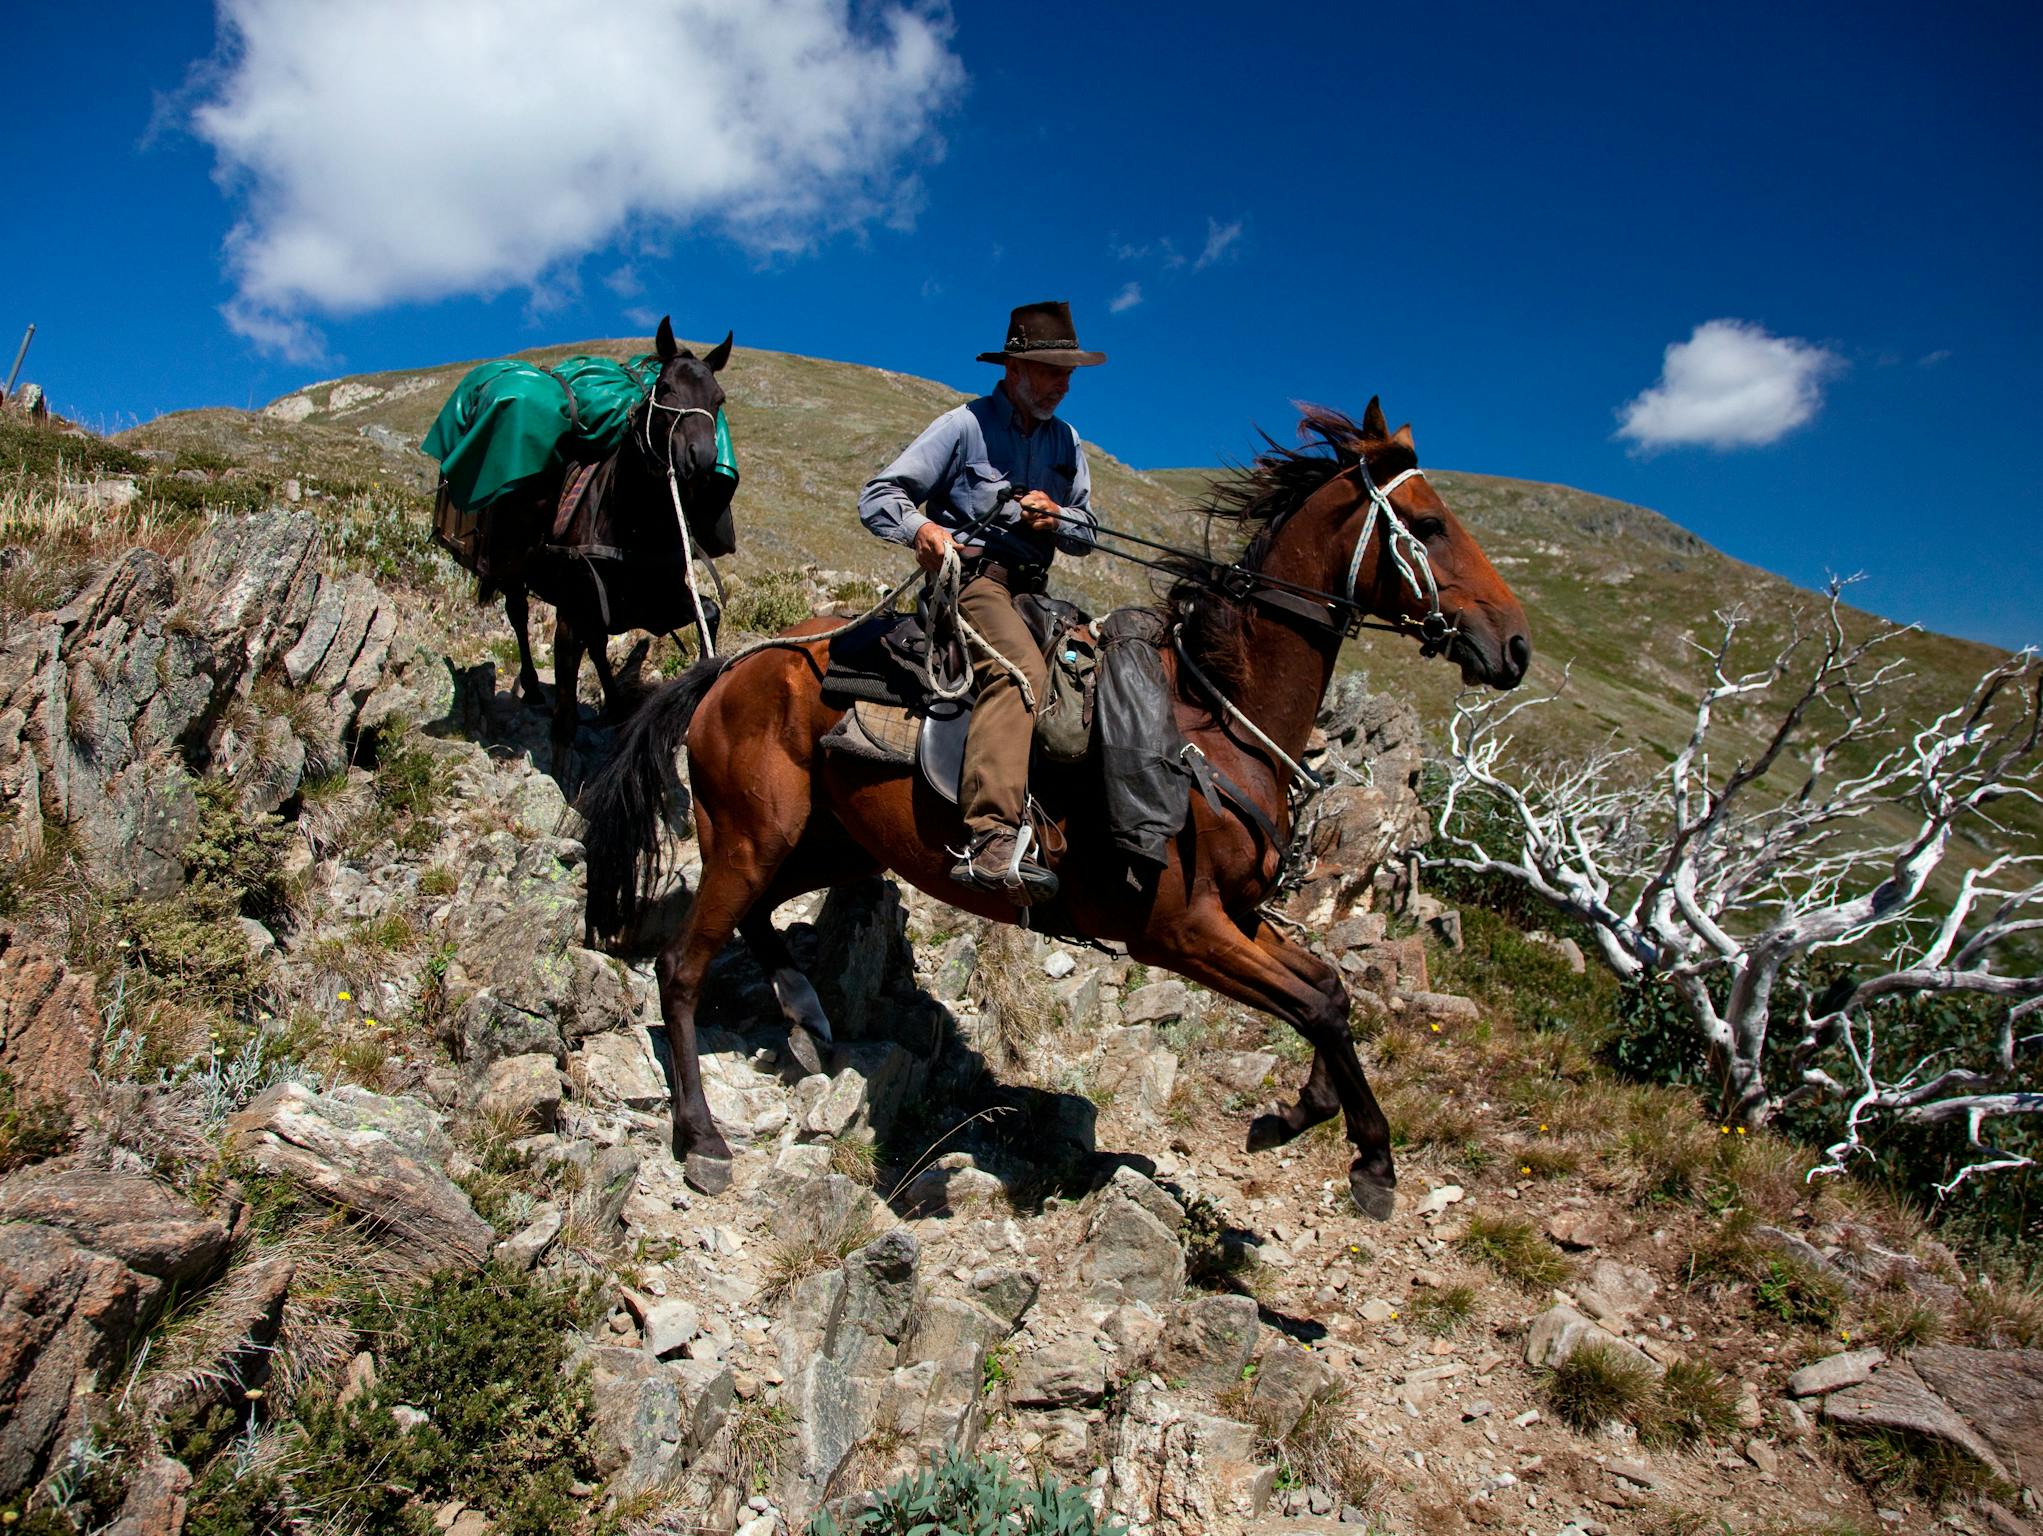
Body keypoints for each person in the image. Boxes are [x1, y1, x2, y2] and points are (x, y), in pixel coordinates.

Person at [858, 300, 1105, 903]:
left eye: (1069, 374)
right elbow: (880, 494)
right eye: (1052, 371)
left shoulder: (1067, 443)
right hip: (969, 584)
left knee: (1099, 676)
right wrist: (921, 529)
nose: (1062, 385)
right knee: (1022, 672)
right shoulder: (964, 426)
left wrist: (1060, 518)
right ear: (1015, 370)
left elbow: (1089, 531)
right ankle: (991, 837)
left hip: (1034, 594)